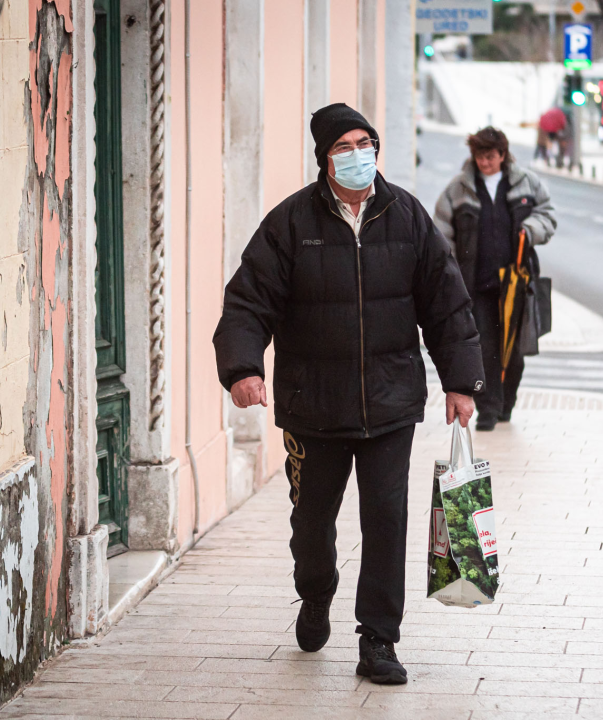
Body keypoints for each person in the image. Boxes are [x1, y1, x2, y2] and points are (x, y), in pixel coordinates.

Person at [213, 103, 484, 685]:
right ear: (324, 158)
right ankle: (315, 595)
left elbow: (446, 302)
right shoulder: (290, 224)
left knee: (387, 519)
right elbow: (247, 301)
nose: (358, 154)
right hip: (314, 406)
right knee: (312, 523)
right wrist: (242, 367)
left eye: (365, 143)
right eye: (344, 146)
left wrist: (462, 381)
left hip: (391, 404)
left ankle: (378, 640)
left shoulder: (406, 215)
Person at [433, 127, 556, 431]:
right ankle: (488, 409)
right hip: (475, 286)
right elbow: (441, 232)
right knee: (485, 347)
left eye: (490, 156)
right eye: (479, 156)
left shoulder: (526, 183)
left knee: (513, 349)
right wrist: (448, 272)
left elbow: (548, 215)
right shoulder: (458, 189)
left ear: (503, 154)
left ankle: (505, 404)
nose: (484, 162)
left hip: (516, 282)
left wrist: (532, 228)